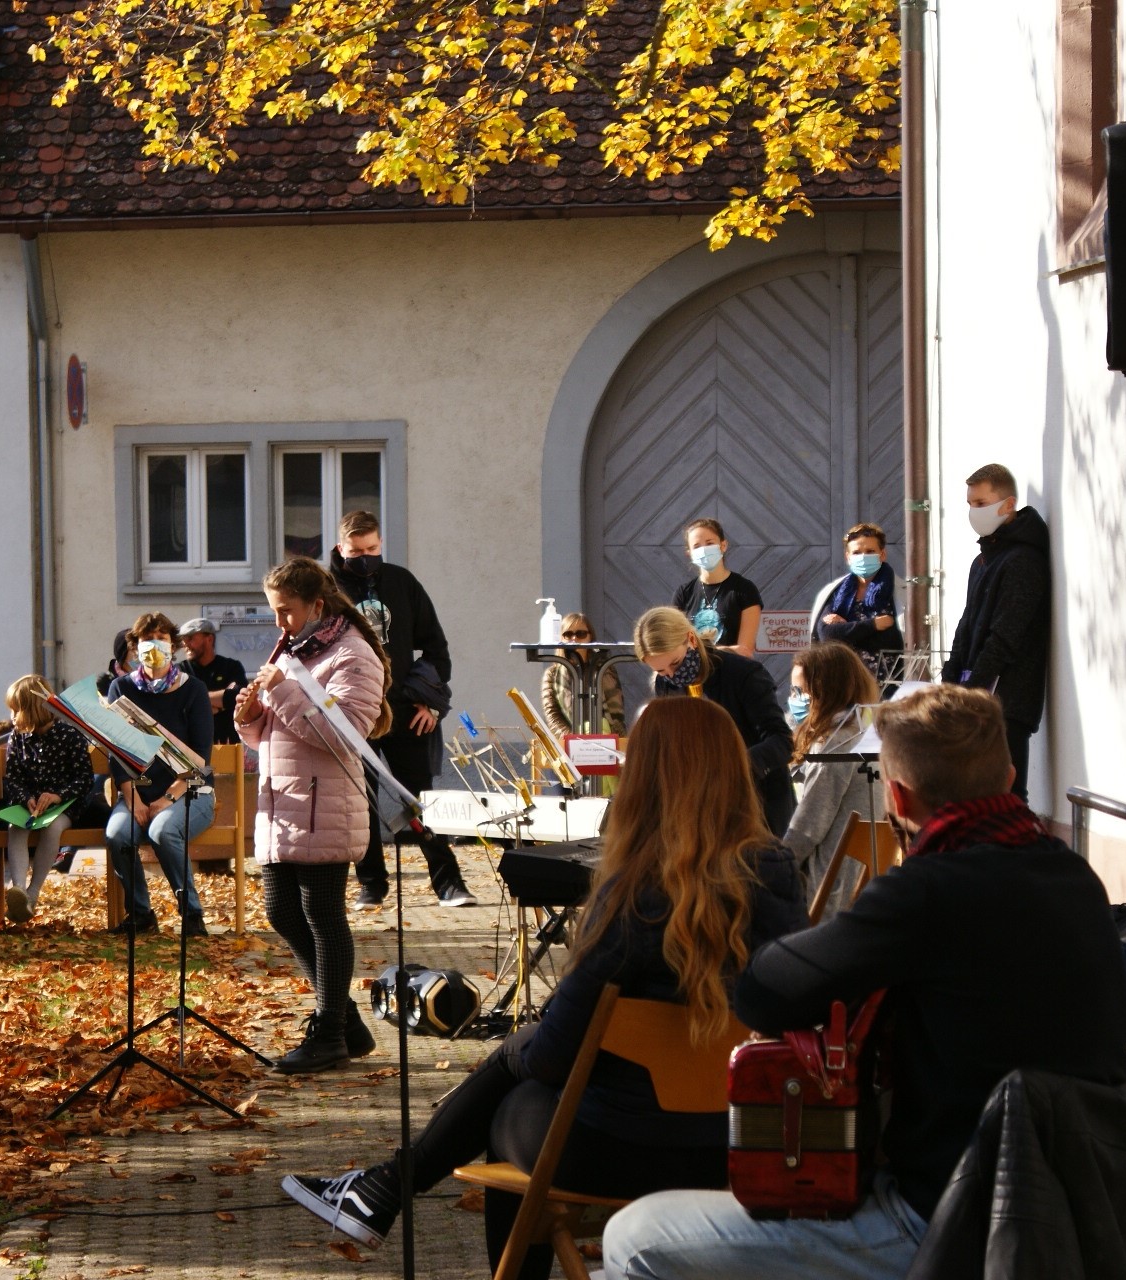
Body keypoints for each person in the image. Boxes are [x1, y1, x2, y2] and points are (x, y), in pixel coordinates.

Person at [599, 684, 1126, 1278]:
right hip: (1072, 1219)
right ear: (1008, 776)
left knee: (634, 1237)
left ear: (898, 797)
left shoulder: (925, 892)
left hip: (941, 1224)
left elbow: (762, 993)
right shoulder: (1076, 879)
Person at [283, 698, 807, 1275]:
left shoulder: (634, 892)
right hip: (742, 1145)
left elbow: (557, 1056)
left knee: (515, 1092)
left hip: (625, 1149)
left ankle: (388, 1189)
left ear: (645, 778)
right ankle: (383, 1188)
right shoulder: (778, 872)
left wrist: (519, 1049)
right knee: (521, 1062)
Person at [236, 558, 390, 1073]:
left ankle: (328, 1035)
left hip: (326, 805)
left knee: (324, 918)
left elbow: (342, 733)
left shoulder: (353, 654)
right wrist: (251, 717)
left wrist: (278, 692)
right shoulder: (297, 647)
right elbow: (277, 735)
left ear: (317, 607)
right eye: (274, 612)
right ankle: (345, 1024)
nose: (279, 623)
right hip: (284, 801)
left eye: (287, 611)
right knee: (281, 912)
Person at [328, 510, 476, 910]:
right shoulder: (327, 589)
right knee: (361, 801)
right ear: (341, 546)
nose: (365, 556)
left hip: (407, 709)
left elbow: (436, 647)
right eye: (356, 550)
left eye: (372, 549)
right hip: (355, 712)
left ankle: (449, 884)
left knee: (421, 800)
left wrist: (430, 701)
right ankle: (371, 885)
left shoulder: (401, 581)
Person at [940, 463, 1050, 802]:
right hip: (976, 696)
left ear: (1007, 505)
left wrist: (971, 691)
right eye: (970, 504)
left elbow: (1006, 635)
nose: (973, 512)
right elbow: (967, 623)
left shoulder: (1022, 561)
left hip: (1006, 703)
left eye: (981, 504)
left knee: (1009, 795)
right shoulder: (983, 560)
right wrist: (951, 676)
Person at [633, 607, 794, 834]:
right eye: (661, 671)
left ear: (690, 639)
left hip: (757, 805)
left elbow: (782, 741)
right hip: (701, 811)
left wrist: (734, 767)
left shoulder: (743, 673)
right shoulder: (666, 685)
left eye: (676, 663)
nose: (672, 675)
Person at [104, 613, 215, 937]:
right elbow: (117, 752)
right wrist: (135, 799)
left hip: (191, 792)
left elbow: (200, 760)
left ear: (174, 646)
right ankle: (140, 915)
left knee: (164, 831)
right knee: (117, 834)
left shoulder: (193, 689)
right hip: (137, 793)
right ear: (136, 648)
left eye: (162, 639)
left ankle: (191, 915)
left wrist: (168, 799)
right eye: (147, 640)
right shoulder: (120, 688)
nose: (154, 646)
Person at [781, 643, 883, 919]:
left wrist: (772, 866)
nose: (795, 699)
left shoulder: (837, 741)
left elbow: (808, 827)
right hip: (868, 879)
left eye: (801, 691)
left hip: (830, 887)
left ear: (826, 692)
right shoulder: (867, 731)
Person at [0, 674, 92, 923]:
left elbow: (84, 778)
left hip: (65, 805)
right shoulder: (18, 736)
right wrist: (25, 797)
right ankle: (18, 890)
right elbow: (13, 777)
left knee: (53, 828)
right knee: (15, 827)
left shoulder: (69, 734)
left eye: (16, 710)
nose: (12, 718)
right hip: (31, 806)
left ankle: (32, 893)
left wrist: (58, 796)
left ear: (33, 709)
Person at [809, 523, 904, 685]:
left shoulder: (899, 591)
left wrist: (846, 631)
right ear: (848, 557)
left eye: (870, 552)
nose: (863, 557)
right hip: (843, 687)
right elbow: (827, 635)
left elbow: (894, 641)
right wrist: (873, 625)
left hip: (889, 689)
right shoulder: (836, 592)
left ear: (882, 555)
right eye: (857, 552)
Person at [672, 519, 763, 657]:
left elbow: (745, 651)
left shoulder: (744, 590)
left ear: (723, 545)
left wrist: (699, 651)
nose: (703, 550)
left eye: (709, 543)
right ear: (689, 553)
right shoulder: (683, 594)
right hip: (696, 676)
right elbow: (674, 644)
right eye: (696, 546)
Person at [540, 611, 625, 738]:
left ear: (590, 636)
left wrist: (609, 739)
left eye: (581, 634)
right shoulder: (552, 675)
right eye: (568, 634)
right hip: (568, 742)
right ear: (561, 639)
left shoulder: (605, 669)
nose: (574, 639)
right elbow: (552, 715)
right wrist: (575, 739)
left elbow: (616, 712)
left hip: (605, 740)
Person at [178, 618, 249, 745]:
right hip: (191, 747)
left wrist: (196, 702)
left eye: (190, 638)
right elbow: (179, 703)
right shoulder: (180, 670)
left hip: (226, 744)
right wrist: (220, 705)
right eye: (183, 640)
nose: (185, 644)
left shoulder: (231, 667)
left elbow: (238, 697)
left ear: (209, 639)